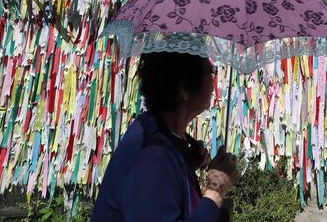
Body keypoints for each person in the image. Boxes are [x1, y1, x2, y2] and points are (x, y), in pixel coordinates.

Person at [92, 52, 239, 221]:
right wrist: (216, 189)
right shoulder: (153, 155)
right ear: (184, 89)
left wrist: (186, 164)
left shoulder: (160, 135)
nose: (214, 80)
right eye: (210, 71)